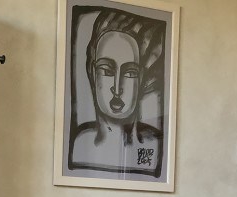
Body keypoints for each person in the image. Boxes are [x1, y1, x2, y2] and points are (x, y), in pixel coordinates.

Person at [69, 8, 165, 176]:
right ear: (92, 72)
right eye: (106, 70)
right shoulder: (79, 144)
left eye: (130, 73)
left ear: (141, 78)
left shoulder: (155, 144)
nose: (117, 87)